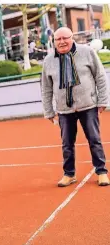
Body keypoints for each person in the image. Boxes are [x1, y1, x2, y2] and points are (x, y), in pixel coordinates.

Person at [41, 27, 109, 187]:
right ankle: (69, 174)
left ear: (72, 38)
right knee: (67, 144)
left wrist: (103, 100)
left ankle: (102, 172)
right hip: (64, 109)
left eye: (65, 37)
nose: (62, 41)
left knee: (94, 140)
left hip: (88, 105)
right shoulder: (48, 60)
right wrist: (48, 111)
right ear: (54, 41)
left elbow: (100, 76)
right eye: (58, 39)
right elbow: (46, 88)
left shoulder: (87, 52)